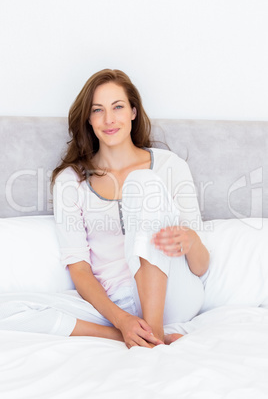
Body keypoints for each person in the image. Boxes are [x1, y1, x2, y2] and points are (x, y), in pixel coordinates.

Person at [51, 69, 210, 349]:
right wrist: (121, 321)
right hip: (116, 307)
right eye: (97, 110)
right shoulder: (70, 181)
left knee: (143, 182)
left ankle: (154, 334)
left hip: (175, 296)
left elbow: (201, 265)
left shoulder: (169, 166)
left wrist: (190, 239)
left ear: (134, 112)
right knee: (12, 309)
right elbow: (79, 269)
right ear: (88, 119)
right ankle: (138, 334)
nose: (109, 119)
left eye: (118, 107)